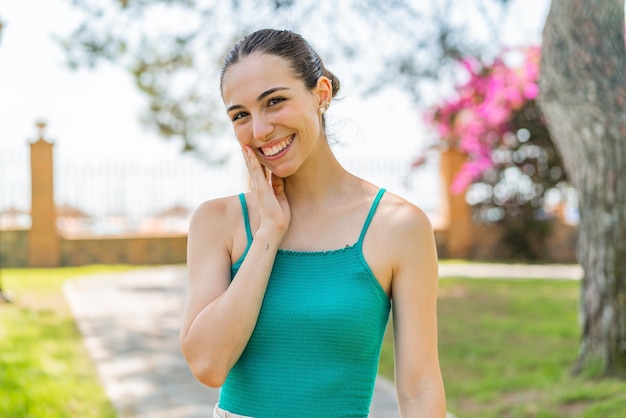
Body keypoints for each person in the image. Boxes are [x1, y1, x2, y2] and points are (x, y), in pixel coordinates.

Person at [180, 28, 446, 418]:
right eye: (240, 115)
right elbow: (207, 365)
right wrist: (269, 232)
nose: (259, 130)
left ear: (321, 94)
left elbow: (420, 388)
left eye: (274, 101)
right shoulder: (217, 222)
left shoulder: (399, 226)